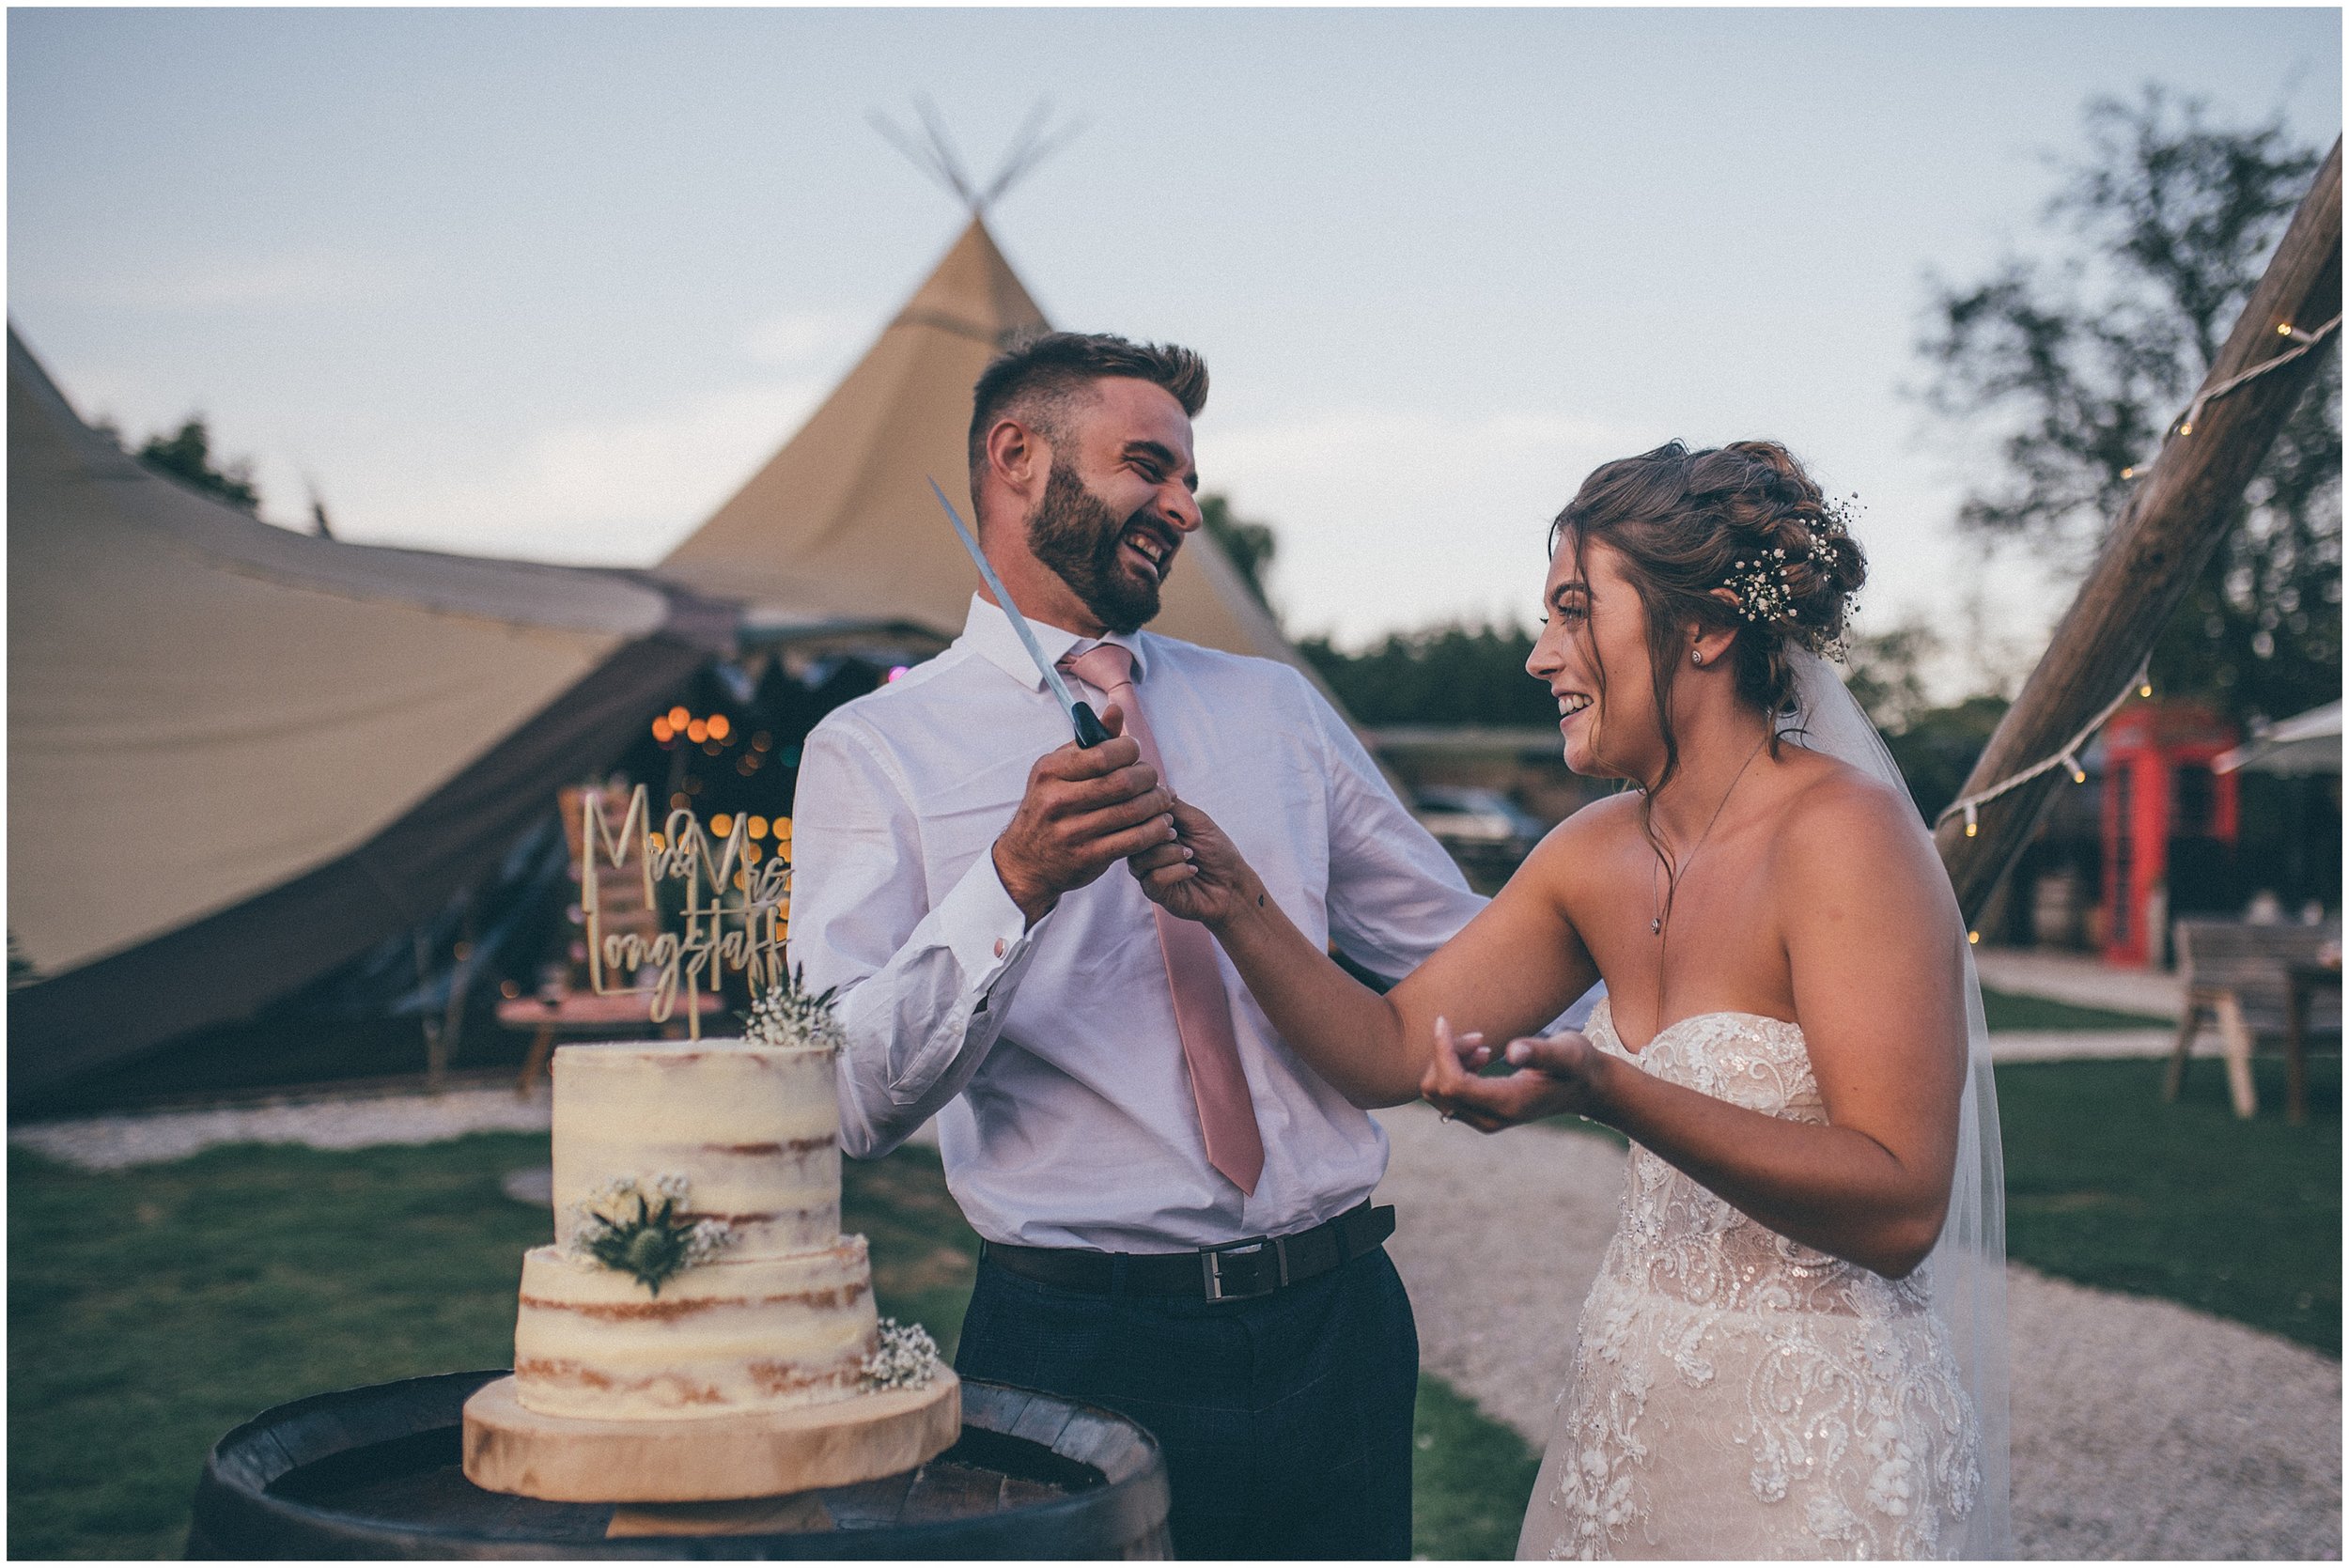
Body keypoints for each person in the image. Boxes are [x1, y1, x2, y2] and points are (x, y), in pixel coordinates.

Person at [1131, 440, 2012, 1560]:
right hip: (1627, 1429)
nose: (1542, 656)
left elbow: (1898, 1206)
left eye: (1572, 611)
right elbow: (1393, 1045)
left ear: (1703, 628)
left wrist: (1611, 1090)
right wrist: (1238, 904)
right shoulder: (1590, 854)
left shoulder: (1842, 837)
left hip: (1817, 1441)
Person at [785, 331, 1496, 1558]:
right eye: (1149, 466)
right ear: (1018, 457)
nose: (1182, 506)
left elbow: (1466, 954)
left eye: (1190, 483)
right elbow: (845, 1094)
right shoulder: (871, 751)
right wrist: (1013, 880)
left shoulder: (1274, 706)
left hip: (1341, 1326)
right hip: (1074, 1353)